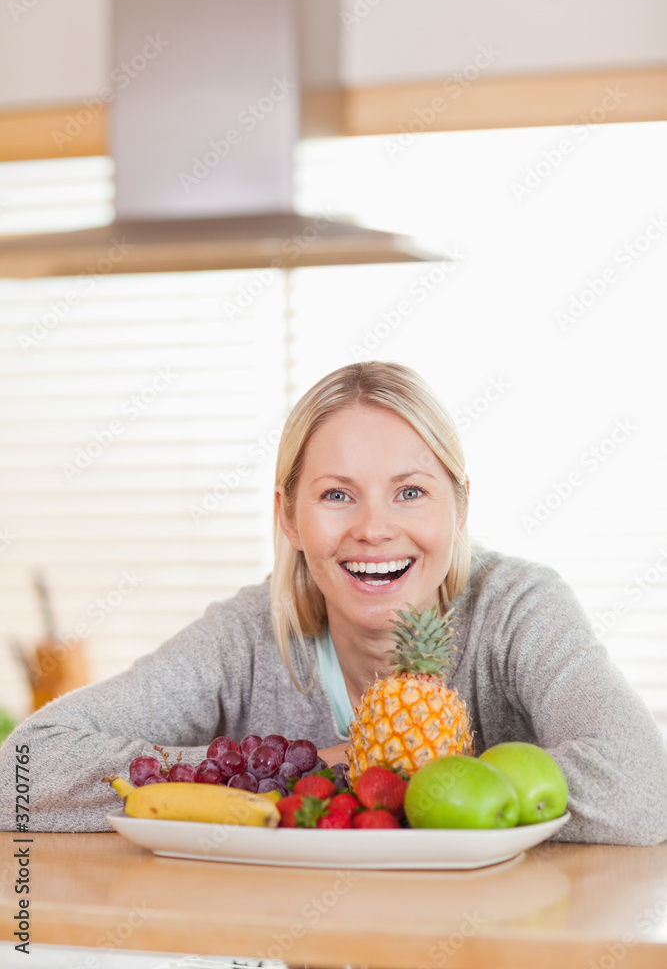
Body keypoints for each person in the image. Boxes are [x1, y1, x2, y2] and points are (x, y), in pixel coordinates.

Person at [1, 361, 666, 842]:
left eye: (409, 492)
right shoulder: (247, 636)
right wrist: (290, 774)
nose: (373, 528)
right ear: (288, 517)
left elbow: (640, 786)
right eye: (336, 495)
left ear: (459, 506)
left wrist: (406, 786)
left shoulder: (516, 609)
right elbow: (20, 770)